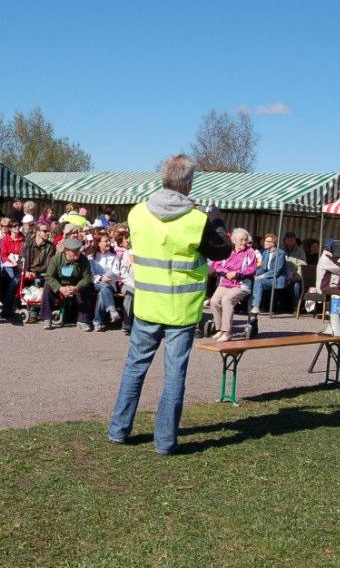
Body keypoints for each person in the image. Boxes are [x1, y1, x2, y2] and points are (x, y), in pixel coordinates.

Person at [107, 154, 231, 455]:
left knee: (134, 368)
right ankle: (164, 442)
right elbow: (222, 251)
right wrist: (216, 220)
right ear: (188, 183)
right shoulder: (197, 221)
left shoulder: (137, 213)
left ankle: (119, 430)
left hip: (147, 305)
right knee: (174, 376)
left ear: (163, 178)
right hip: (181, 310)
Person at [208, 228, 258, 341]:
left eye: (245, 240)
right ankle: (220, 329)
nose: (244, 242)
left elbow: (252, 269)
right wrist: (226, 273)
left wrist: (238, 274)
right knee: (214, 301)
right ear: (234, 240)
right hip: (225, 282)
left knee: (227, 300)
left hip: (241, 284)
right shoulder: (227, 251)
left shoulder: (250, 252)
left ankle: (227, 332)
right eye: (241, 240)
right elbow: (216, 265)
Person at [39, 237, 93, 331]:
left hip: (76, 285)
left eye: (78, 250)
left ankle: (83, 321)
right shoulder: (56, 259)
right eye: (74, 251)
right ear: (66, 251)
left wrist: (77, 287)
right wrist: (60, 288)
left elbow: (87, 278)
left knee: (86, 288)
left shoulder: (83, 260)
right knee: (47, 286)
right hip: (60, 284)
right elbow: (49, 276)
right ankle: (46, 318)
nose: (77, 253)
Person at [89, 233, 122, 331]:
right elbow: (90, 274)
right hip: (95, 283)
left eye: (109, 241)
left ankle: (98, 321)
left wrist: (106, 276)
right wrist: (100, 278)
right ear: (99, 243)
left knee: (104, 290)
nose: (108, 243)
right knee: (103, 286)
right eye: (105, 241)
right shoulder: (92, 257)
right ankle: (110, 310)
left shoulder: (114, 256)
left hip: (110, 284)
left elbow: (117, 273)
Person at [250, 233, 286, 314]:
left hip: (277, 279)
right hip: (267, 278)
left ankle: (256, 306)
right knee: (252, 279)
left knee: (259, 281)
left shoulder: (280, 253)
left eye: (267, 241)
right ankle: (249, 305)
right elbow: (263, 268)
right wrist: (255, 273)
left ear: (273, 243)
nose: (264, 243)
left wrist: (261, 276)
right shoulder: (265, 253)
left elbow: (276, 271)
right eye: (265, 241)